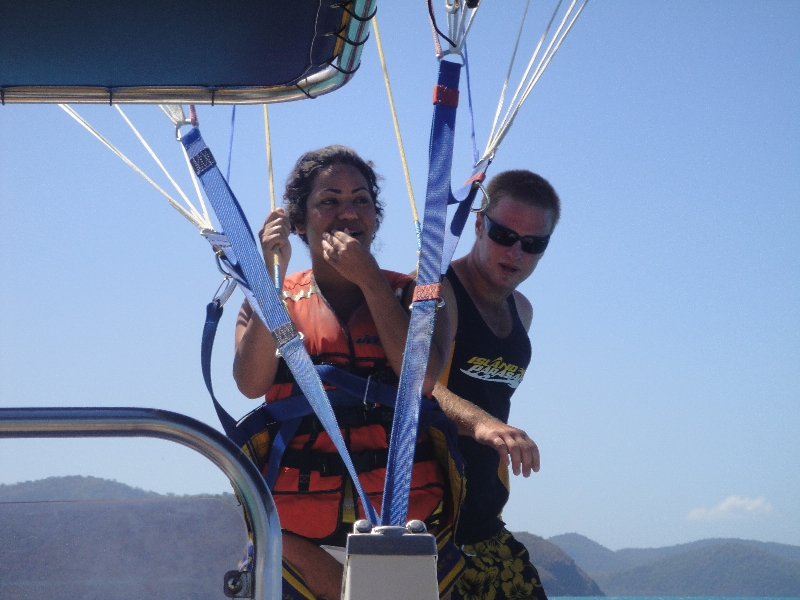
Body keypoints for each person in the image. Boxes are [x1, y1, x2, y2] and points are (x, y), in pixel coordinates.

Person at [233, 145, 465, 600]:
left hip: (405, 532)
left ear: (376, 217)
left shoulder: (414, 294)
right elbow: (250, 383)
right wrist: (268, 278)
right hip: (298, 540)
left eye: (361, 200)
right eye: (329, 202)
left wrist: (372, 282)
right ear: (299, 223)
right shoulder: (267, 298)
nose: (348, 213)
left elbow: (420, 378)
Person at [434, 170, 560, 600]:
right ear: (478, 225)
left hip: (485, 522)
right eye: (504, 234)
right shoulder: (440, 294)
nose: (516, 251)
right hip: (431, 524)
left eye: (532, 244)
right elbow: (414, 382)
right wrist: (482, 423)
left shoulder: (521, 312)